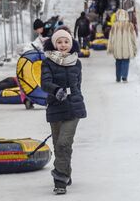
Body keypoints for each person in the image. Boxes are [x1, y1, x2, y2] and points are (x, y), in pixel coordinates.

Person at [41, 28, 87, 195]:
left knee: (64, 143)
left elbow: (78, 85)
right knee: (58, 144)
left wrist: (76, 98)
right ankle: (66, 171)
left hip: (73, 107)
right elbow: (44, 83)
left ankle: (60, 179)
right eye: (59, 42)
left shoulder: (77, 62)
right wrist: (56, 90)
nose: (63, 45)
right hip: (55, 106)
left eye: (66, 41)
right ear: (54, 44)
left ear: (71, 43)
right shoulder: (47, 62)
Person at [107, 9, 137, 83]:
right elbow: (133, 38)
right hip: (127, 48)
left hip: (117, 48)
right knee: (126, 61)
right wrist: (134, 47)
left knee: (118, 61)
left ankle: (118, 77)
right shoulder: (130, 25)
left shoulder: (115, 25)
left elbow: (111, 38)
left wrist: (110, 47)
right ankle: (124, 77)